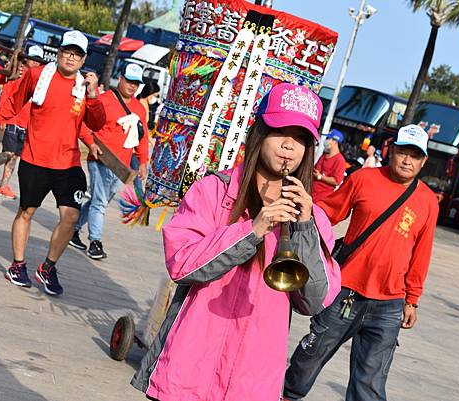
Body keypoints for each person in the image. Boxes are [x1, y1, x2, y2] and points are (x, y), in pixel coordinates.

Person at [130, 83, 341, 401]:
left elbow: (315, 301)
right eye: (279, 131)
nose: (288, 146)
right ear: (259, 132)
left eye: (300, 138)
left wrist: (305, 227)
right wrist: (252, 230)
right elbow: (182, 265)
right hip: (188, 367)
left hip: (252, 380)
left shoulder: (312, 218)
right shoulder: (213, 190)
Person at [283, 124, 439, 401]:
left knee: (370, 383)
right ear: (391, 151)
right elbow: (328, 213)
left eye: (414, 156)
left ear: (424, 161)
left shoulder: (428, 201)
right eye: (402, 152)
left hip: (389, 304)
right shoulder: (363, 178)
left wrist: (412, 299)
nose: (406, 160)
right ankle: (283, 396)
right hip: (345, 292)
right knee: (308, 360)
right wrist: (295, 221)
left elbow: (421, 252)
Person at [0, 30, 106, 296]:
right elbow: (13, 102)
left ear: (83, 60)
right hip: (35, 158)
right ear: (59, 53)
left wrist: (92, 96)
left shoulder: (84, 87)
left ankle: (48, 267)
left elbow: (95, 122)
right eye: (67, 51)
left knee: (70, 216)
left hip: (68, 163)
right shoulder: (37, 76)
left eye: (77, 54)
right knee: (27, 211)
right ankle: (17, 265)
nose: (71, 57)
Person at [69, 63, 149, 259]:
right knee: (100, 203)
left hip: (121, 166)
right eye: (129, 81)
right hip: (100, 159)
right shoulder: (104, 100)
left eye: (136, 83)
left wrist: (143, 161)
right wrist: (90, 143)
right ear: (120, 78)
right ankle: (95, 242)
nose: (132, 86)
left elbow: (142, 136)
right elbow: (84, 123)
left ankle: (72, 229)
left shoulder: (139, 108)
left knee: (100, 200)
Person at [0, 45, 45, 198]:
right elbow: (6, 94)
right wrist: (0, 119)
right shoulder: (18, 73)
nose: (34, 62)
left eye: (38, 60)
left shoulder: (40, 78)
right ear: (26, 58)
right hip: (12, 119)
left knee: (15, 156)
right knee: (7, 152)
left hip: (27, 122)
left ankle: (3, 185)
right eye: (32, 58)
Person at [130, 80, 160, 190]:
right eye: (154, 94)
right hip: (134, 146)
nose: (155, 97)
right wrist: (151, 140)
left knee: (137, 175)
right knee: (138, 174)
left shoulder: (145, 103)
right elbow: (142, 126)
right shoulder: (141, 103)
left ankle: (139, 199)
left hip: (138, 144)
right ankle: (140, 200)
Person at [312, 129, 346, 203]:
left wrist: (320, 177)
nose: (326, 141)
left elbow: (337, 181)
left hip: (322, 198)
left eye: (328, 139)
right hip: (311, 193)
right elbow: (316, 170)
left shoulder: (340, 160)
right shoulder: (324, 155)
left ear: (335, 142)